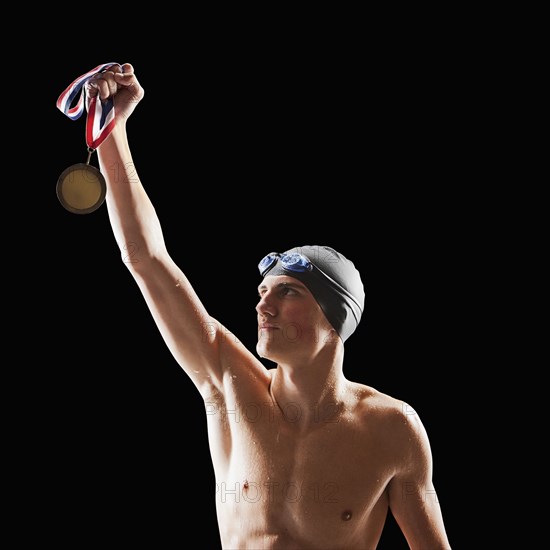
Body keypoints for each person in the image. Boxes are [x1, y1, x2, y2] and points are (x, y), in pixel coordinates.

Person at [84, 63, 452, 550]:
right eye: (263, 292)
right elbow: (145, 258)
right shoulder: (228, 385)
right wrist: (112, 129)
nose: (265, 305)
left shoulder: (392, 430)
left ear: (334, 317)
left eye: (288, 292)